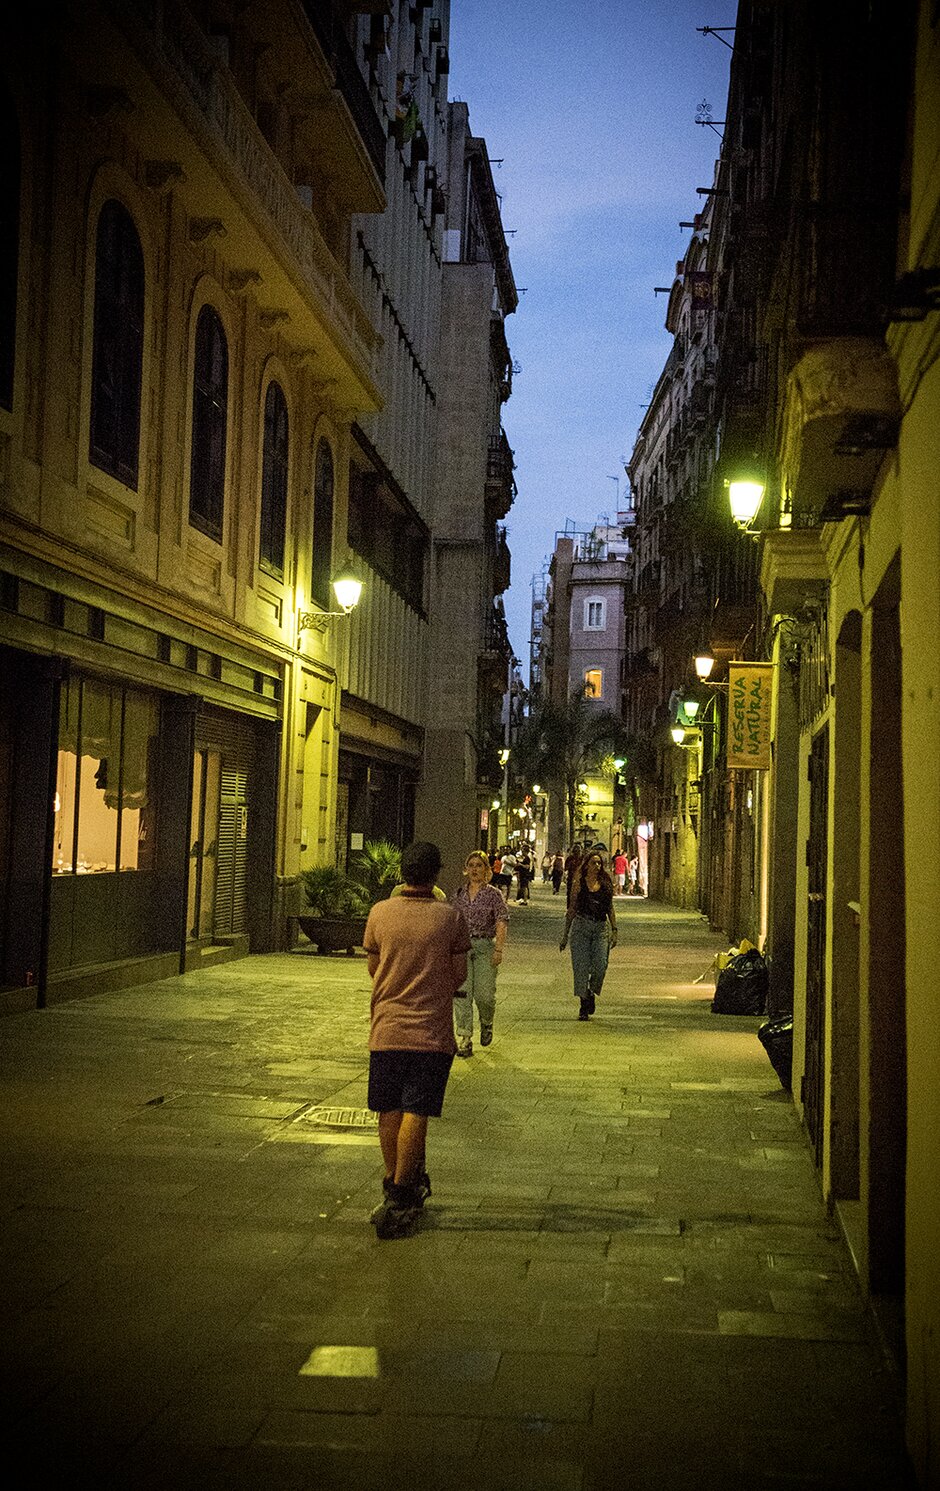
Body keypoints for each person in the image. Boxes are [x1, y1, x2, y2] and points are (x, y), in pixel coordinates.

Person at [363, 841, 470, 1239]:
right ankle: (403, 1190)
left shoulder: (379, 913)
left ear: (403, 873)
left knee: (388, 1108)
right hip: (429, 1030)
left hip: (386, 1027)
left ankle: (395, 1182)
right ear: (436, 874)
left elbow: (374, 967)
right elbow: (458, 975)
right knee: (416, 1109)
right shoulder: (449, 918)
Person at [451, 849, 509, 1057]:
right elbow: (451, 921)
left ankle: (486, 1021)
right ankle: (465, 1038)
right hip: (462, 949)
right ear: (466, 869)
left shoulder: (493, 894)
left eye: (479, 866)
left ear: (486, 870)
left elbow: (502, 921)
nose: (475, 869)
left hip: (484, 947)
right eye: (471, 865)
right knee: (462, 994)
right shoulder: (458, 894)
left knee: (484, 995)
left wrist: (498, 948)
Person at [559, 847, 618, 1020]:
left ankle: (591, 992)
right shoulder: (579, 884)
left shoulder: (606, 883)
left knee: (601, 965)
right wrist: (565, 935)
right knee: (581, 967)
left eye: (599, 863)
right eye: (594, 862)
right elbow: (572, 909)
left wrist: (614, 929)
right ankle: (583, 1004)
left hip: (600, 928)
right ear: (587, 865)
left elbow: (610, 908)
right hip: (581, 927)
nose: (597, 865)